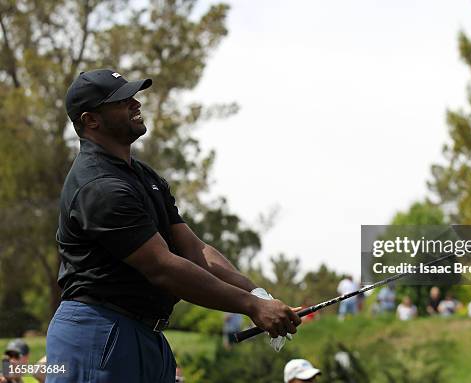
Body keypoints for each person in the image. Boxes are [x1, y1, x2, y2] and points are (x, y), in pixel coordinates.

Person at [46, 69, 301, 383]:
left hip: (144, 334)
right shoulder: (100, 187)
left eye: (133, 96)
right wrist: (250, 306)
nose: (135, 104)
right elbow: (163, 267)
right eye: (121, 101)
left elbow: (195, 250)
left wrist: (258, 294)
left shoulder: (143, 176)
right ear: (91, 120)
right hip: (98, 333)